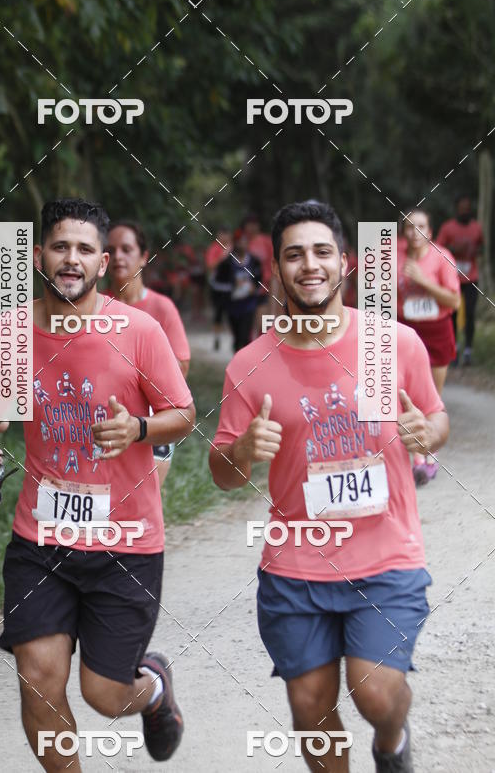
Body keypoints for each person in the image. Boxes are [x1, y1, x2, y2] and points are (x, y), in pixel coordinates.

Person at [210, 200, 449, 773]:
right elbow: (223, 472)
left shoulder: (388, 345)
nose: (309, 265)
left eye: (321, 252)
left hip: (385, 556)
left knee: (375, 694)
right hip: (296, 565)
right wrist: (241, 452)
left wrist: (426, 432)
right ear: (276, 271)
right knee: (309, 706)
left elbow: (436, 420)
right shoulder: (250, 363)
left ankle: (391, 742)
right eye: (294, 254)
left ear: (343, 263)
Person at [0, 198, 195, 772]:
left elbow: (184, 413)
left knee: (103, 694)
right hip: (40, 539)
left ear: (103, 264)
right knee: (39, 681)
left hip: (125, 543)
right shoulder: (13, 334)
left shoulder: (137, 330)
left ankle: (154, 691)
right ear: (40, 255)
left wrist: (138, 427)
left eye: (85, 249)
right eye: (61, 246)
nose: (72, 259)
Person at [106, 220, 191, 486]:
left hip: (153, 418)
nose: (119, 256)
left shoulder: (161, 307)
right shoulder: (95, 307)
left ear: (143, 257)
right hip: (105, 415)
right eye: (112, 250)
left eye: (127, 249)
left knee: (145, 494)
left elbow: (182, 365)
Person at [397, 208, 460, 485]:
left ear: (430, 231)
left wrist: (422, 281)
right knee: (403, 396)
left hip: (435, 330)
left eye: (420, 226)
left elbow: (454, 302)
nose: (415, 232)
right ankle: (417, 459)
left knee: (431, 397)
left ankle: (430, 454)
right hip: (404, 330)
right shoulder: (393, 256)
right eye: (409, 227)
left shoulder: (442, 257)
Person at [436, 195, 483, 366]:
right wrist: (453, 249)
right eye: (462, 208)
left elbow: (481, 246)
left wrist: (476, 252)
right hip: (452, 278)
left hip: (471, 278)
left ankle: (469, 350)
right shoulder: (448, 228)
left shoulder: (476, 228)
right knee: (452, 315)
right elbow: (438, 249)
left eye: (467, 208)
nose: (465, 211)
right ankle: (453, 350)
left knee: (470, 313)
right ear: (457, 209)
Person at [212, 229, 263, 352]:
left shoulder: (255, 262)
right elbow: (216, 283)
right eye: (240, 242)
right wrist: (232, 288)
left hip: (248, 305)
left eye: (245, 242)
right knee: (236, 337)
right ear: (235, 243)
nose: (243, 245)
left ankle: (247, 365)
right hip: (232, 306)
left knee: (245, 336)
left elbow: (259, 281)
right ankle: (236, 359)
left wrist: (254, 288)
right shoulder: (226, 263)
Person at [205, 226, 233, 351]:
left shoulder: (235, 249)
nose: (224, 237)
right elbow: (210, 266)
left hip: (232, 287)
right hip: (217, 287)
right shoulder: (214, 249)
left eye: (226, 234)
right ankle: (217, 338)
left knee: (233, 314)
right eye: (222, 234)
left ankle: (235, 339)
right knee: (218, 314)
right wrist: (222, 256)